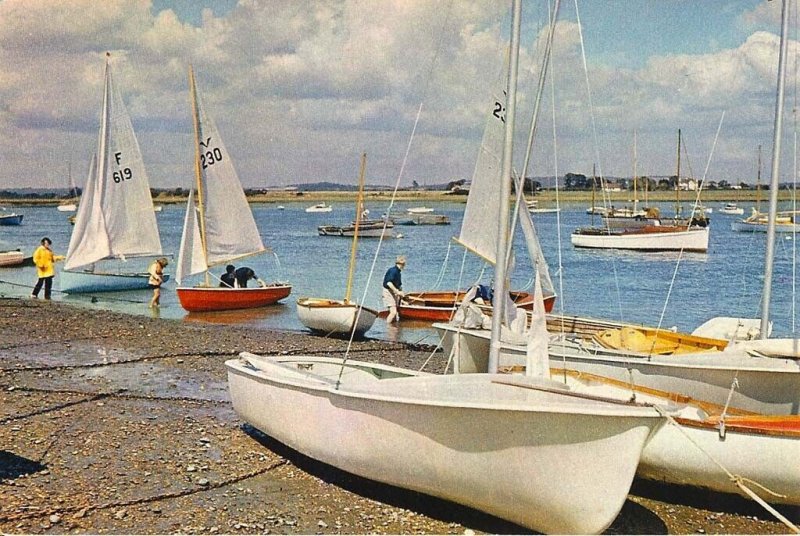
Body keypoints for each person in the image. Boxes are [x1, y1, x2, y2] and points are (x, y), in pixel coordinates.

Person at [382, 255, 405, 323]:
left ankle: (393, 331)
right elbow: (389, 283)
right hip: (388, 292)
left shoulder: (398, 272)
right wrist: (397, 292)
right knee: (393, 312)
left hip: (393, 292)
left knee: (395, 314)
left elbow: (399, 285)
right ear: (402, 264)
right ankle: (388, 328)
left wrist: (401, 293)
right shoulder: (393, 271)